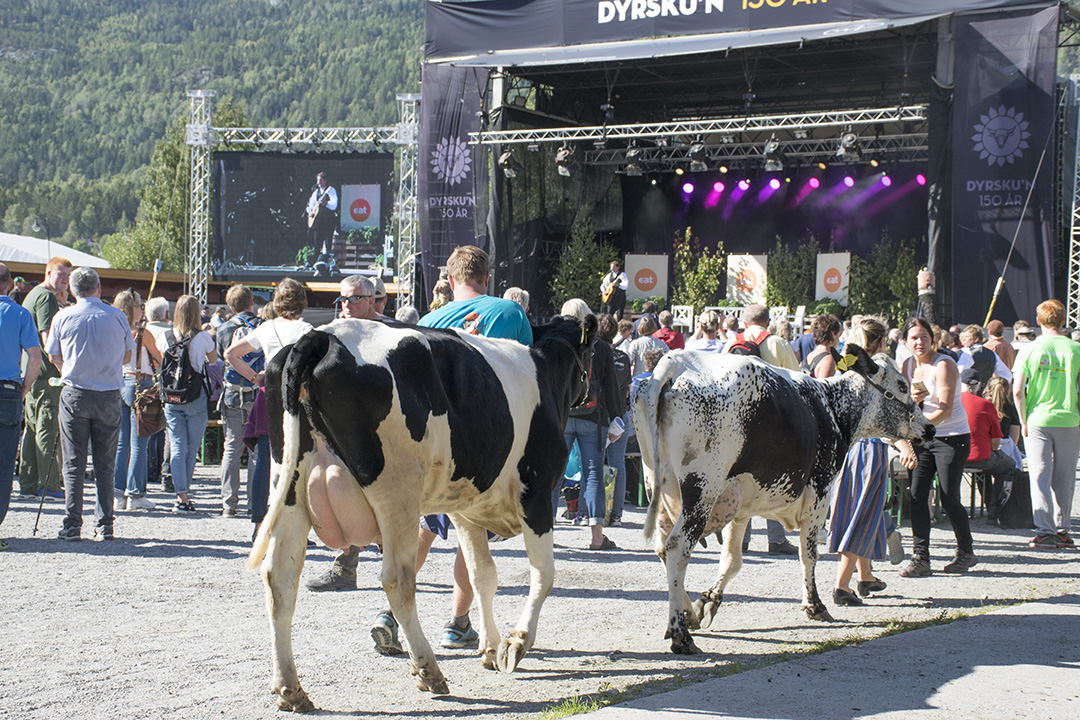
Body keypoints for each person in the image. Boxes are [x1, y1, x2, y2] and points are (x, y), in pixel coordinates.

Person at [369, 245, 532, 656]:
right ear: (487, 277)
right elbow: (529, 377)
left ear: (451, 279)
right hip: (484, 445)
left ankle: (391, 613)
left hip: (434, 443)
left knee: (424, 528)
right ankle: (458, 624)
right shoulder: (510, 313)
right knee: (470, 537)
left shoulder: (428, 322)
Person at [828, 317, 916, 606]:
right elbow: (890, 413)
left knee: (858, 509)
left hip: (847, 446)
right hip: (870, 447)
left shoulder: (846, 363)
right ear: (881, 341)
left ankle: (866, 576)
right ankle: (842, 586)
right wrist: (903, 443)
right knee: (862, 513)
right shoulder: (883, 367)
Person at [45, 267, 135, 542]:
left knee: (73, 462)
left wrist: (69, 368)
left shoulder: (63, 316)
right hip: (108, 393)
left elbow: (53, 354)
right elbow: (127, 355)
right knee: (105, 463)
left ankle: (72, 524)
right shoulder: (117, 316)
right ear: (99, 287)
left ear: (72, 290)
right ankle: (105, 524)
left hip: (75, 392)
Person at [306, 275, 383, 593]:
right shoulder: (332, 334)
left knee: (388, 501)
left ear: (371, 300)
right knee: (344, 496)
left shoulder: (390, 332)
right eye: (342, 299)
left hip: (386, 432)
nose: (346, 305)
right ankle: (345, 567)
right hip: (346, 430)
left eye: (353, 298)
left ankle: (398, 569)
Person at [225, 278, 313, 533]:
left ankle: (259, 522)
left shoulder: (266, 328)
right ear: (302, 301)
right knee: (296, 460)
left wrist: (255, 377)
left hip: (267, 394)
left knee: (263, 459)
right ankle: (291, 522)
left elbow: (230, 354)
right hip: (295, 398)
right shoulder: (305, 330)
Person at [899, 317, 976, 576]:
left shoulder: (944, 364)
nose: (920, 342)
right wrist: (914, 402)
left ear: (932, 339)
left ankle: (965, 552)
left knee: (948, 497)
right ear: (905, 341)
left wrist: (915, 428)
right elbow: (905, 405)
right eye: (914, 338)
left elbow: (944, 409)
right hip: (922, 438)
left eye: (924, 337)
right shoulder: (908, 365)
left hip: (951, 436)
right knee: (917, 494)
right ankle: (920, 557)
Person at [723, 304, 800, 555]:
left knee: (739, 480)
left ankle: (740, 540)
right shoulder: (778, 344)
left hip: (739, 423)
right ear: (767, 322)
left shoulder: (731, 343)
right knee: (772, 482)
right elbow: (796, 380)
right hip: (773, 424)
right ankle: (776, 539)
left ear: (745, 323)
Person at [1012, 299, 1080, 550]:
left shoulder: (1028, 349)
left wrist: (1022, 420)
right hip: (1069, 418)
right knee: (1066, 477)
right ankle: (1063, 530)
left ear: (1038, 321)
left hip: (1037, 419)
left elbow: (1017, 391)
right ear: (1063, 320)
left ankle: (1045, 532)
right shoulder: (1076, 348)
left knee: (1039, 475)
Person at [560, 299, 621, 549]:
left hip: (562, 416)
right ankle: (596, 537)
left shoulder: (558, 342)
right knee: (594, 473)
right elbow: (611, 387)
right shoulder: (600, 346)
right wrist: (616, 419)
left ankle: (546, 536)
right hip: (593, 418)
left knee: (554, 475)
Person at [157, 295, 217, 513]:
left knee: (177, 446)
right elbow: (213, 360)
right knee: (191, 449)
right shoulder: (203, 337)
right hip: (195, 396)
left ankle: (180, 496)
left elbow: (162, 363)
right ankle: (185, 495)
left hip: (172, 397)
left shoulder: (164, 336)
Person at [18, 256, 72, 499]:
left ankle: (28, 484)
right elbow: (48, 338)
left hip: (32, 373)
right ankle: (49, 485)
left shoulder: (33, 295)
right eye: (61, 274)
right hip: (48, 376)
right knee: (47, 428)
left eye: (68, 275)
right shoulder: (46, 297)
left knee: (31, 429)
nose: (65, 279)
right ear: (48, 273)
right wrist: (63, 368)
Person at [0, 263, 42, 550]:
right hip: (7, 391)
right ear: (8, 284)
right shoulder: (19, 313)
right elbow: (35, 358)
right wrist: (25, 388)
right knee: (4, 465)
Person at [112, 289, 161, 512]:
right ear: (133, 308)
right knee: (140, 442)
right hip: (140, 383)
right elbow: (160, 359)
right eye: (140, 305)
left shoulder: (113, 330)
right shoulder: (143, 333)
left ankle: (117, 493)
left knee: (122, 442)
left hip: (119, 382)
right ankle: (135, 493)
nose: (142, 309)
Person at [216, 285, 262, 517]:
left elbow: (220, 358)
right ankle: (255, 503)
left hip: (232, 394)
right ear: (251, 301)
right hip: (257, 393)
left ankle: (228, 504)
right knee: (257, 451)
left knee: (232, 449)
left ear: (231, 307)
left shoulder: (223, 328)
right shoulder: (263, 326)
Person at [959, 368, 1017, 522]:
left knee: (983, 469)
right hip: (979, 457)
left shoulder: (950, 403)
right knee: (1008, 465)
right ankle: (994, 509)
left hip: (952, 457)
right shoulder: (986, 405)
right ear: (979, 386)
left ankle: (949, 506)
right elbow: (995, 443)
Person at [597, 314, 631, 527]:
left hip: (600, 414)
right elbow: (627, 388)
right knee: (618, 464)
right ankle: (616, 514)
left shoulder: (594, 355)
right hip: (620, 415)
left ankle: (589, 512)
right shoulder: (623, 357)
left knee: (593, 463)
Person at [143, 297, 173, 491]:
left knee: (144, 427)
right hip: (167, 385)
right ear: (167, 314)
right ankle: (163, 470)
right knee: (164, 428)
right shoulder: (172, 334)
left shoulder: (140, 332)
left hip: (144, 385)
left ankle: (147, 469)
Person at [306, 171, 339, 253]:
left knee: (328, 243)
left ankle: (326, 258)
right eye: (317, 180)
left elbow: (334, 205)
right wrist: (310, 212)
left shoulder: (330, 190)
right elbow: (310, 204)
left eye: (320, 180)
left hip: (328, 220)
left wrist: (325, 203)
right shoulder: (315, 192)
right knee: (317, 243)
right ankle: (316, 259)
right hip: (318, 222)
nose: (319, 182)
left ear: (325, 180)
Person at [802, 314, 842, 378]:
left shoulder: (810, 355)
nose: (839, 340)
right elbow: (823, 384)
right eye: (839, 336)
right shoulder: (827, 360)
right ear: (833, 335)